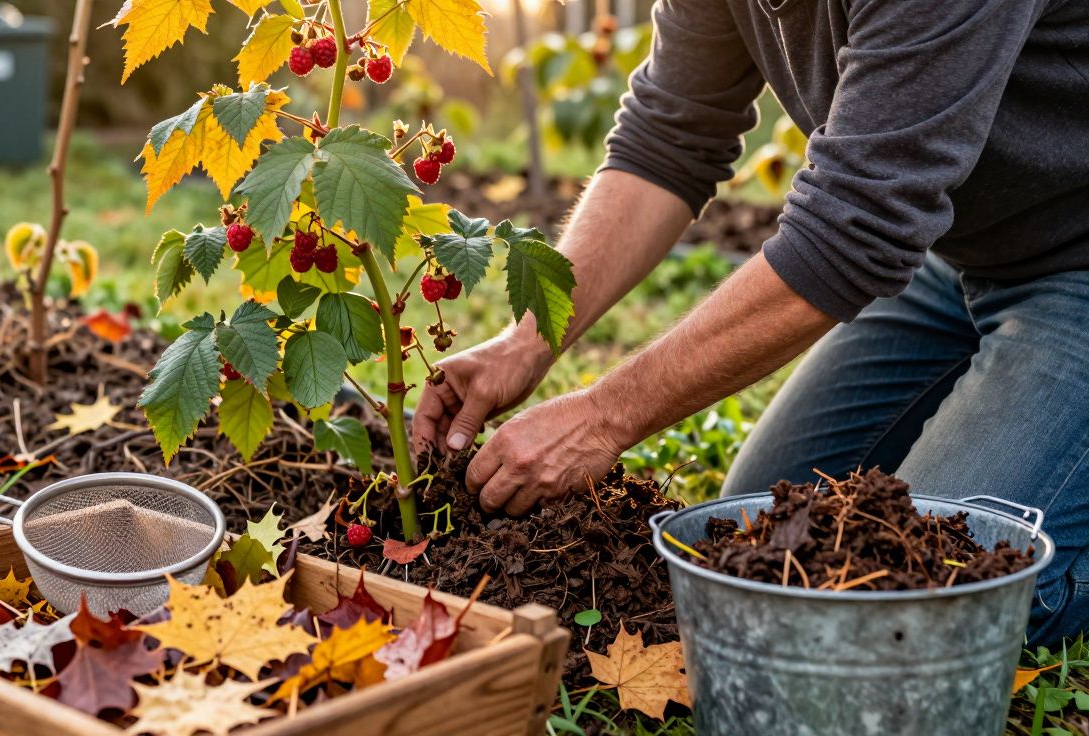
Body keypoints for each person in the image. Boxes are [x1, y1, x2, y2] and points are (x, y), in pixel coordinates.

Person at [411, 0, 1089, 644]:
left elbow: (852, 233)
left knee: (945, 592)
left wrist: (603, 416)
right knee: (766, 538)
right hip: (955, 258)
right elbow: (669, 137)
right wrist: (529, 338)